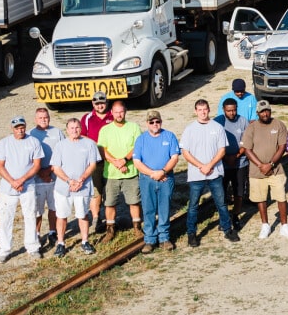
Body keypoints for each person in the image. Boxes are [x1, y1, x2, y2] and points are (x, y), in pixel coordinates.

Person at [180, 99, 238, 247]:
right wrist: (201, 166)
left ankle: (227, 229)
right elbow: (185, 152)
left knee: (221, 203)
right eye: (199, 110)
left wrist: (210, 165)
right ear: (195, 111)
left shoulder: (217, 127)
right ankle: (191, 233)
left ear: (209, 110)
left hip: (215, 173)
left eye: (205, 109)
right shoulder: (189, 129)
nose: (202, 112)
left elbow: (222, 150)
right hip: (196, 174)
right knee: (193, 205)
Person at [0, 116, 43, 263]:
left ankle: (32, 247)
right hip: (8, 188)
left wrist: (22, 180)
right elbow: (0, 166)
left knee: (30, 216)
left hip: (27, 186)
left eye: (22, 127)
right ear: (12, 128)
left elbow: (36, 165)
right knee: (6, 218)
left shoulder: (33, 142)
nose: (20, 130)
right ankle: (4, 250)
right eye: (17, 127)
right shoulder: (4, 143)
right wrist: (12, 181)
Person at [242, 100, 288, 239]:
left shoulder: (279, 125)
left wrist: (270, 164)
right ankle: (265, 225)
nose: (265, 114)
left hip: (276, 169)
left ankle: (284, 225)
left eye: (267, 110)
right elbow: (247, 149)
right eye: (262, 111)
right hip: (257, 171)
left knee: (281, 196)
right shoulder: (251, 128)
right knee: (260, 198)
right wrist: (261, 165)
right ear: (257, 113)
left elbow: (282, 146)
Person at [50, 118, 100, 256]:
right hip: (63, 188)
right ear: (67, 130)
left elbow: (92, 165)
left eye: (77, 127)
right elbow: (56, 167)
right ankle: (61, 243)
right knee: (61, 215)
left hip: (82, 187)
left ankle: (85, 241)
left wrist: (81, 180)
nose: (74, 130)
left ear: (81, 128)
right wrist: (69, 181)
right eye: (71, 128)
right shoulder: (60, 146)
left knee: (82, 215)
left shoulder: (89, 144)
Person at [133, 110, 180, 253]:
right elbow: (137, 161)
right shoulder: (141, 139)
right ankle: (150, 239)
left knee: (164, 208)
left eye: (157, 121)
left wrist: (163, 171)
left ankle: (164, 238)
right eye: (152, 122)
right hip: (147, 179)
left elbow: (174, 157)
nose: (155, 124)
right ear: (147, 123)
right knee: (148, 209)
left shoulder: (169, 136)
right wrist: (153, 174)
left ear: (161, 122)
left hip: (166, 178)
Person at [97, 100, 142, 240]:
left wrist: (125, 160)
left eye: (121, 112)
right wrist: (115, 162)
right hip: (111, 173)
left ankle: (137, 227)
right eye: (116, 112)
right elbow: (101, 149)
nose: (119, 115)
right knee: (110, 203)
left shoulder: (134, 127)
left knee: (134, 201)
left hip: (130, 172)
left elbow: (137, 146)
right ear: (112, 113)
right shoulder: (105, 130)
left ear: (125, 111)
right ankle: (110, 230)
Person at [28, 107, 62, 247]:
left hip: (54, 177)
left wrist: (49, 170)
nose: (43, 120)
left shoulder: (57, 132)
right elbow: (28, 159)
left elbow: (62, 153)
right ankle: (36, 234)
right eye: (40, 118)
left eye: (46, 117)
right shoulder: (30, 134)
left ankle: (52, 232)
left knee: (54, 207)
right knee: (37, 209)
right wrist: (40, 173)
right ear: (35, 119)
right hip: (37, 179)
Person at [80, 91, 112, 231]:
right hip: (95, 161)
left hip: (111, 159)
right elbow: (82, 137)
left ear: (106, 102)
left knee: (110, 190)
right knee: (96, 191)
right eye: (97, 103)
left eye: (102, 103)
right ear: (93, 104)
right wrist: (96, 145)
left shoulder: (113, 116)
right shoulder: (87, 118)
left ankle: (111, 218)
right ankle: (96, 218)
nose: (100, 106)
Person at [215, 98, 249, 213]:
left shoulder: (243, 121)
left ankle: (236, 215)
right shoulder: (217, 122)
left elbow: (247, 142)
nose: (232, 113)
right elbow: (214, 144)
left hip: (240, 162)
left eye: (234, 110)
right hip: (222, 163)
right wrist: (225, 157)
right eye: (229, 111)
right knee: (222, 191)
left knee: (239, 191)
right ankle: (223, 217)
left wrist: (235, 156)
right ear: (223, 109)